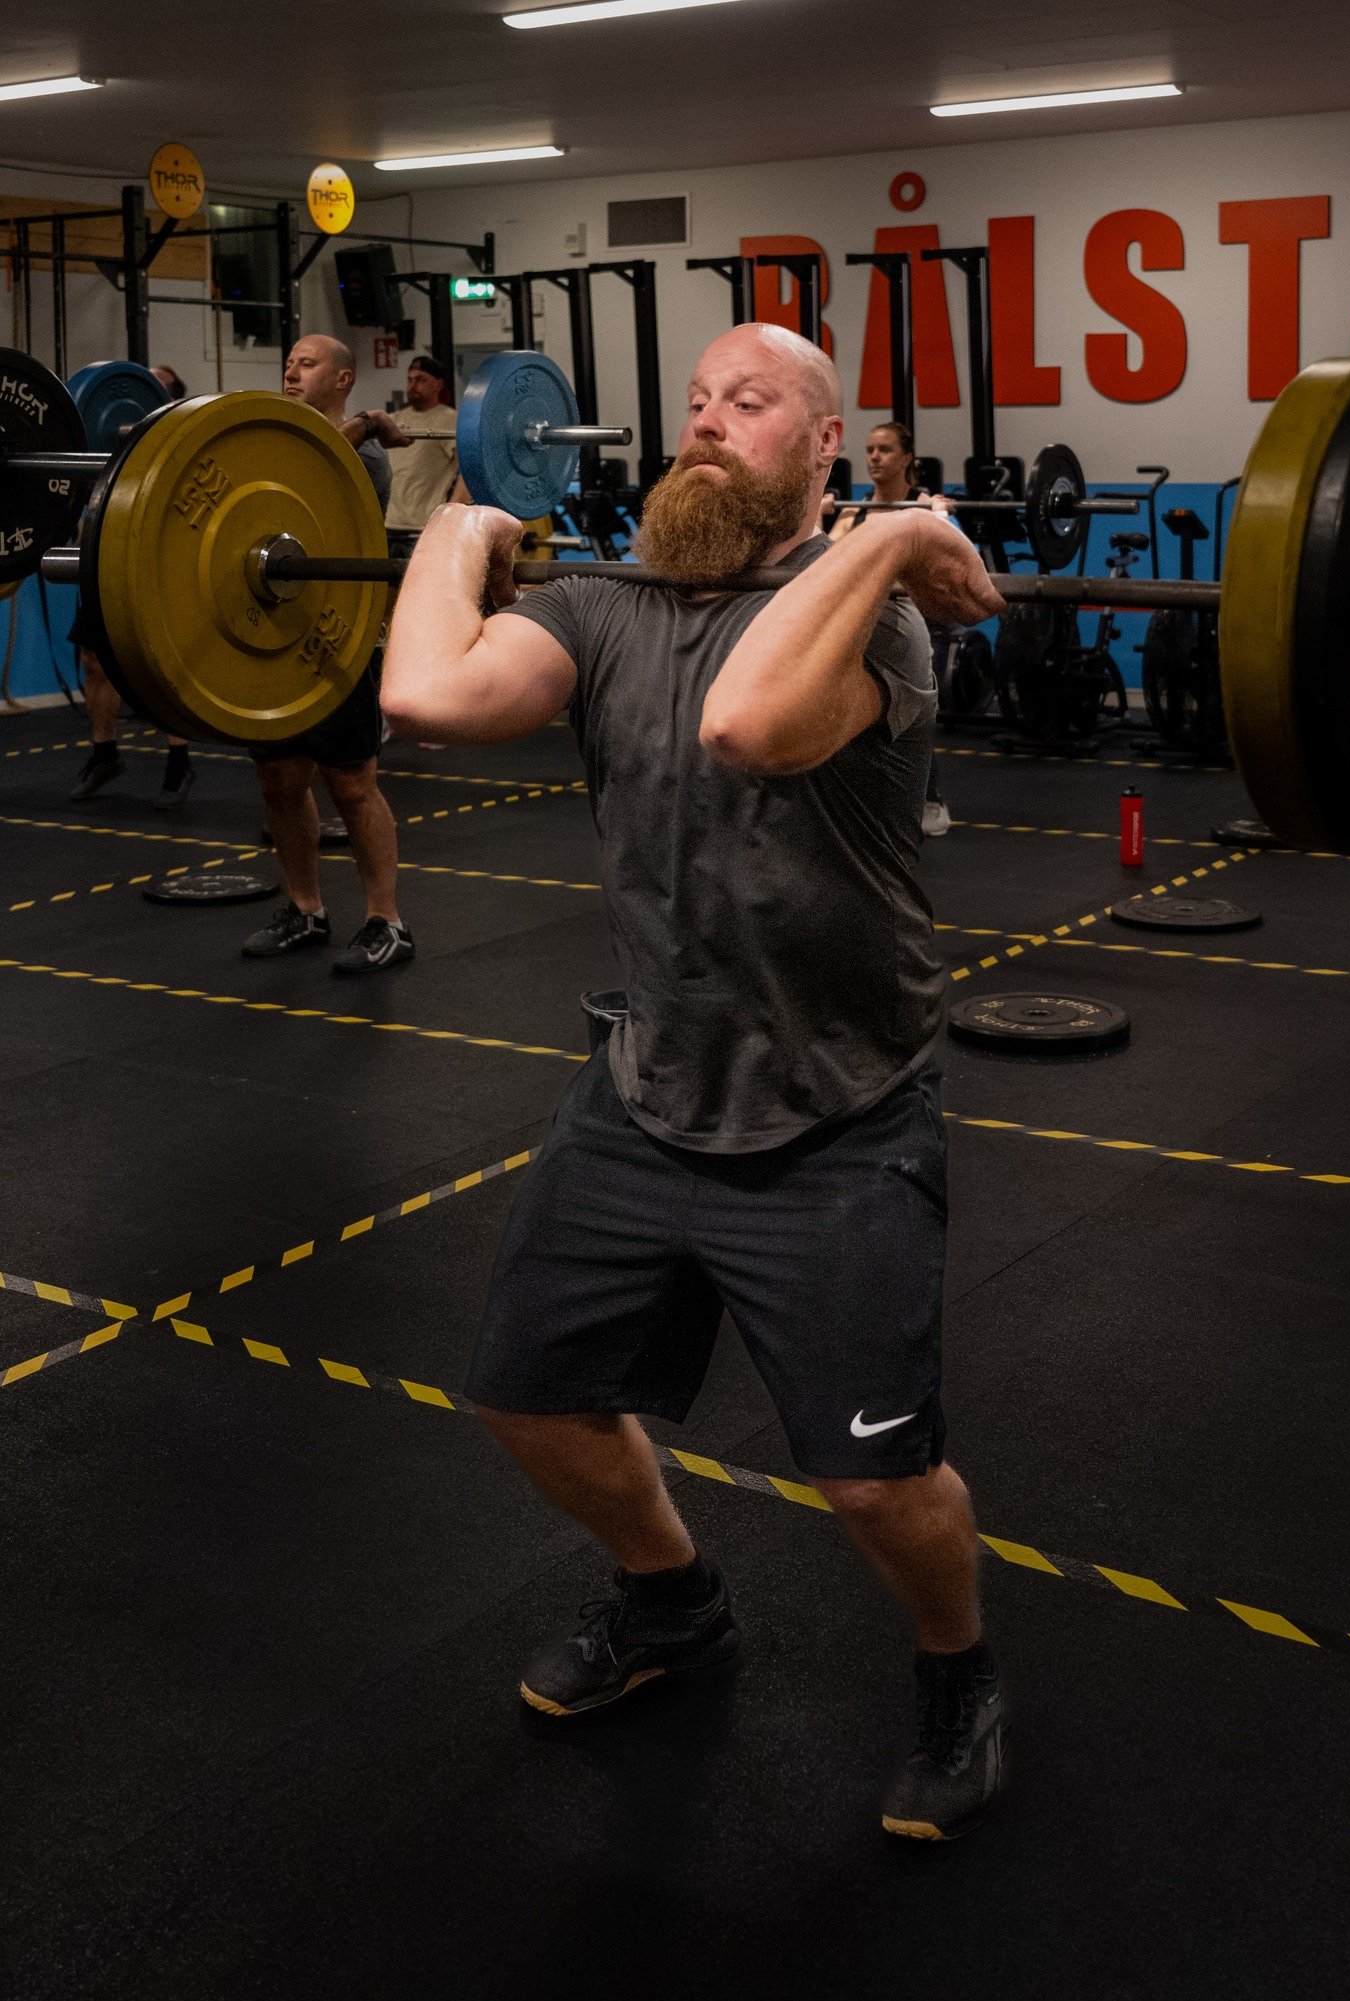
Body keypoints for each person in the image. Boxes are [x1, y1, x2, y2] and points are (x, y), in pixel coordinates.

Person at [380, 323, 1010, 1842]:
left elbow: (748, 725)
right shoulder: (608, 606)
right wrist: (456, 528)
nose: (711, 422)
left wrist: (895, 537)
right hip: (648, 1084)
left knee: (874, 1487)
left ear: (821, 444)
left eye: (753, 404)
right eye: (698, 402)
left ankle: (959, 1675)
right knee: (532, 1402)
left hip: (838, 1110)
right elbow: (428, 700)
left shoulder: (881, 628)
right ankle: (670, 1602)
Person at [239, 334, 414, 975]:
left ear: (342, 380)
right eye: (287, 362)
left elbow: (307, 477)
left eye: (307, 364)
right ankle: (305, 909)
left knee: (351, 783)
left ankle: (386, 921)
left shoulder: (364, 460)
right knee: (281, 780)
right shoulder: (279, 444)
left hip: (338, 639)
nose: (291, 370)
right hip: (277, 641)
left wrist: (367, 424)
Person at [828, 421, 953, 838]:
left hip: (917, 626)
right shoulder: (853, 512)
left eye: (884, 450)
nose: (875, 458)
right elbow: (821, 565)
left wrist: (940, 519)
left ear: (906, 459)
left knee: (913, 716)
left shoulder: (925, 507)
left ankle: (930, 798)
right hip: (865, 626)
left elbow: (957, 558)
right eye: (869, 450)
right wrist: (815, 513)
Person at [66, 623, 195, 807]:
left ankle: (179, 765)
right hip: (103, 594)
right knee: (93, 659)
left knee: (166, 658)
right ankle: (105, 757)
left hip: (158, 594)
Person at [369, 354, 461, 546]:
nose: (412, 385)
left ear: (438, 385)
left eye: (420, 380)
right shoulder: (392, 419)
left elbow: (469, 471)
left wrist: (451, 515)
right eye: (410, 380)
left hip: (423, 529)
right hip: (385, 526)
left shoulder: (450, 420)